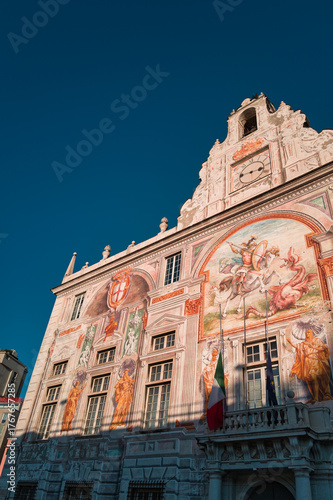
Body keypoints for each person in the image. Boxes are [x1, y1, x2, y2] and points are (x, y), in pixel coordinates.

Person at [288, 329, 333, 403]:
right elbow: (297, 347)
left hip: (315, 361)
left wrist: (315, 348)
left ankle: (317, 397)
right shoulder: (303, 344)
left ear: (312, 333)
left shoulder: (317, 341)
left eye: (308, 332)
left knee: (317, 378)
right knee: (311, 380)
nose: (307, 334)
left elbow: (324, 348)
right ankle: (315, 397)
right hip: (307, 362)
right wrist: (290, 342)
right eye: (306, 333)